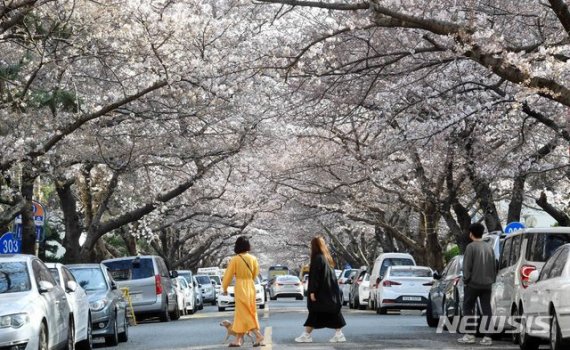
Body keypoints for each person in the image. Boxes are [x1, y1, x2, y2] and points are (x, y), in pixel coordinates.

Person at [295, 236, 346, 343]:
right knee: (331, 312)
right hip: (330, 292)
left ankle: (307, 335)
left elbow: (315, 277)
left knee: (315, 312)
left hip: (321, 293)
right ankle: (338, 334)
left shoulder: (317, 258)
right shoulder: (327, 258)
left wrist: (312, 291)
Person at [458, 223, 497, 346]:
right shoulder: (489, 247)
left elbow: (467, 266)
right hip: (487, 284)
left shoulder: (471, 247)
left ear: (471, 233)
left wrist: (466, 280)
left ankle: (470, 335)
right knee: (487, 309)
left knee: (468, 307)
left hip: (473, 283)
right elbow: (494, 265)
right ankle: (488, 337)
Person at [222, 236, 265, 347]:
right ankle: (238, 340)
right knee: (248, 311)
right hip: (251, 285)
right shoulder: (253, 259)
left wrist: (225, 288)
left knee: (244, 313)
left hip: (240, 285)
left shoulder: (235, 259)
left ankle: (258, 334)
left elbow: (228, 275)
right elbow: (255, 273)